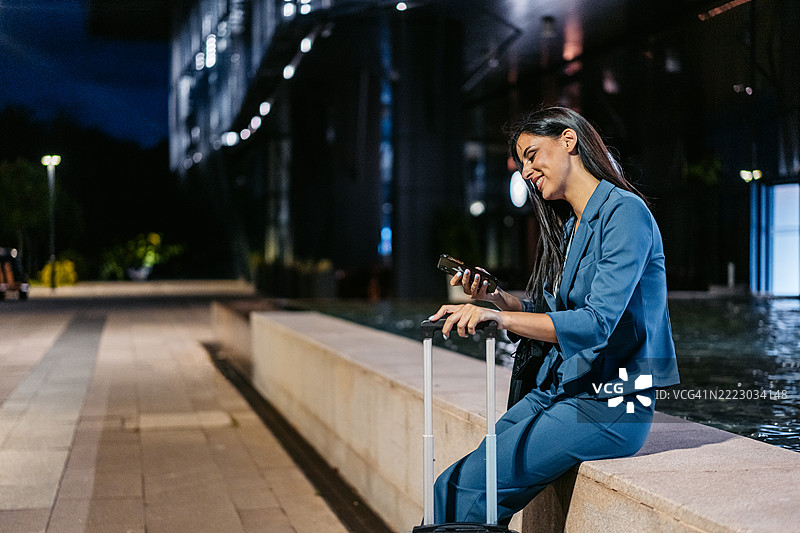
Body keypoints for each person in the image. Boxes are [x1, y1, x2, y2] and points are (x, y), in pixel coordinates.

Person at [428, 106, 680, 524]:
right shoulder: (573, 226)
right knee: (451, 487)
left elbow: (596, 322)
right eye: (521, 161)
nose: (526, 171)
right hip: (563, 391)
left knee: (468, 491)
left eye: (531, 154)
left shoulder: (625, 213)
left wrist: (502, 322)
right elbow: (556, 314)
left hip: (611, 402)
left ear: (569, 140)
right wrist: (499, 301)